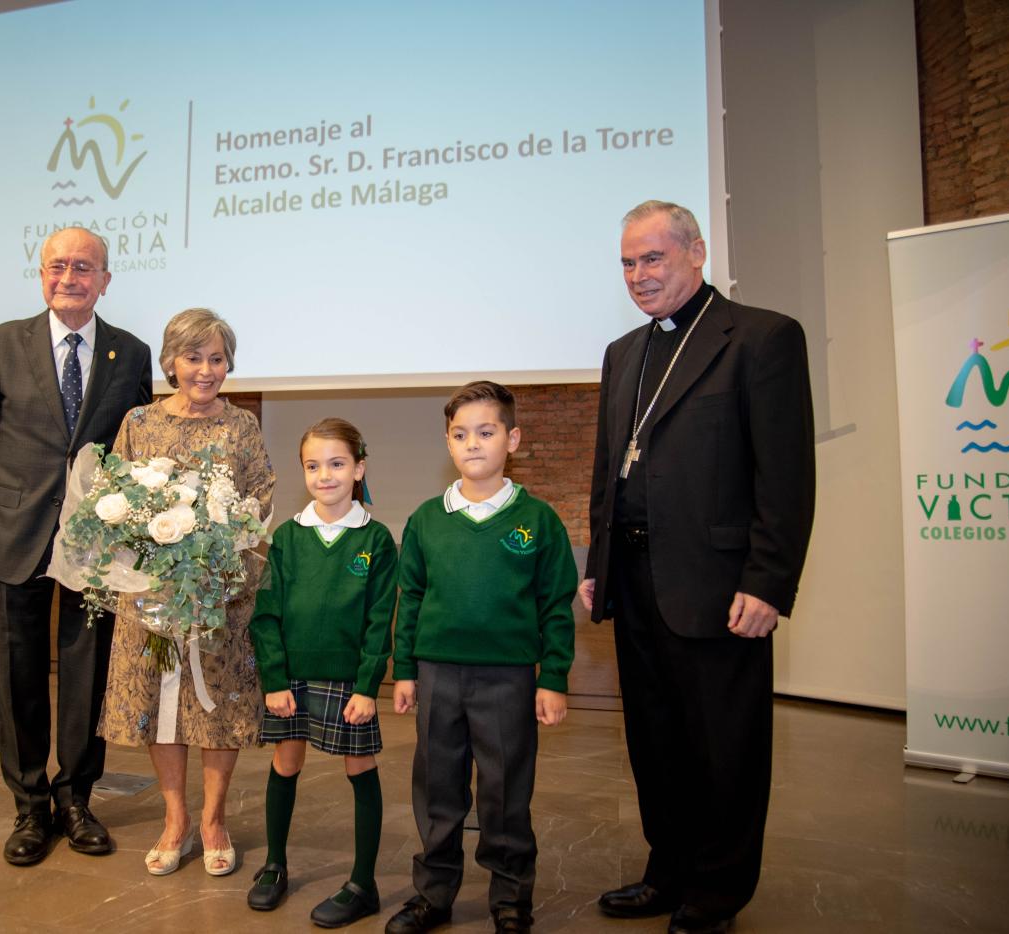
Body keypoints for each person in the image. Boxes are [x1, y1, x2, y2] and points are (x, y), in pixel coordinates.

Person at [582, 200, 815, 934]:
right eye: (628, 262)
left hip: (719, 587)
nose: (639, 275)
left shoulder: (762, 338)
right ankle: (668, 871)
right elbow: (606, 471)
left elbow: (786, 476)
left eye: (653, 258)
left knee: (725, 747)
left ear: (697, 252)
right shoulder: (625, 352)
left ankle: (718, 892)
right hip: (637, 576)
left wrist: (768, 580)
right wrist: (600, 562)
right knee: (655, 742)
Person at [0, 226, 153, 865]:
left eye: (84, 267)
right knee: (18, 679)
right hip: (12, 538)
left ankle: (76, 800)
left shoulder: (132, 353)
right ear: (42, 274)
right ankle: (31, 808)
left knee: (86, 679)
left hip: (95, 548)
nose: (70, 276)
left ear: (105, 280)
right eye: (59, 265)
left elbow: (139, 454)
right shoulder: (0, 344)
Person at [388, 381, 577, 934]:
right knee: (439, 788)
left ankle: (511, 896)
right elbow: (412, 598)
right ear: (448, 444)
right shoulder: (427, 519)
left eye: (486, 432)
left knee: (505, 790)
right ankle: (434, 894)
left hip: (508, 679)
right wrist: (404, 670)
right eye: (460, 434)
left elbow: (555, 605)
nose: (473, 444)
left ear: (512, 439)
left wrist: (555, 677)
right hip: (438, 675)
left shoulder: (538, 520)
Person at [99, 307, 275, 878]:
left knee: (216, 705)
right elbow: (114, 503)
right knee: (162, 707)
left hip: (220, 596)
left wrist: (222, 559)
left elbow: (260, 501)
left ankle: (214, 820)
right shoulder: (139, 422)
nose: (206, 370)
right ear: (171, 362)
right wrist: (147, 558)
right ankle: (175, 819)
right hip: (152, 598)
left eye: (217, 358)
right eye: (194, 357)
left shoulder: (242, 426)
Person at [246, 418, 398, 927]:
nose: (325, 475)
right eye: (313, 465)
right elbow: (265, 613)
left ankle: (363, 882)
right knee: (286, 765)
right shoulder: (287, 537)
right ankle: (274, 864)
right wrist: (272, 680)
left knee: (361, 770)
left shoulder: (376, 540)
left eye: (337, 464)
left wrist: (367, 688)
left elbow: (380, 621)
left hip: (348, 684)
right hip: (291, 678)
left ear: (359, 468)